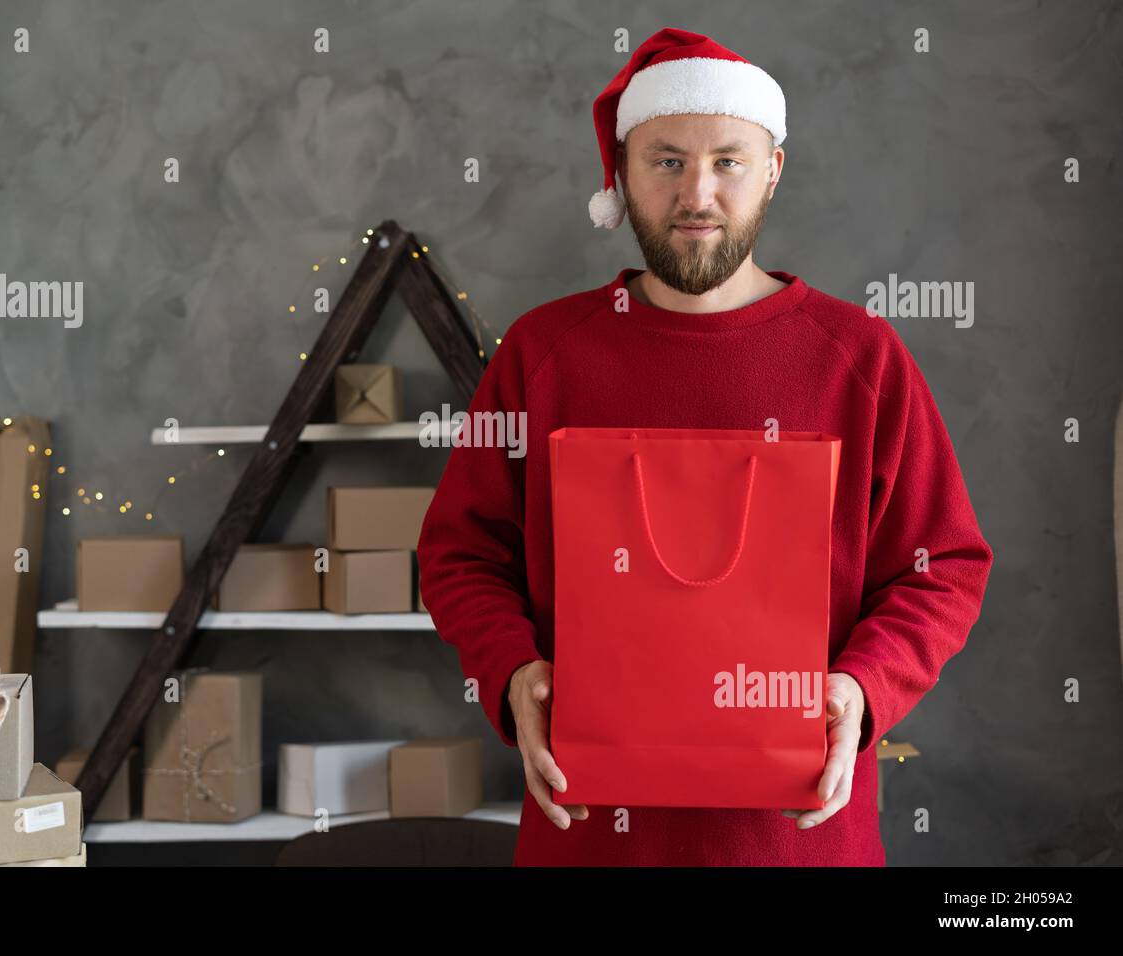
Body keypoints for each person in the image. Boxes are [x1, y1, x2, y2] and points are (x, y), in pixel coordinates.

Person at [415, 28, 994, 866]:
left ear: (773, 171)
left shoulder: (861, 357)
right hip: (590, 842)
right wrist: (511, 667)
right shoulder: (543, 354)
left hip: (803, 848)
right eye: (666, 161)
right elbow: (460, 551)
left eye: (729, 160)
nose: (698, 194)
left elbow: (944, 566)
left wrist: (863, 686)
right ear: (620, 174)